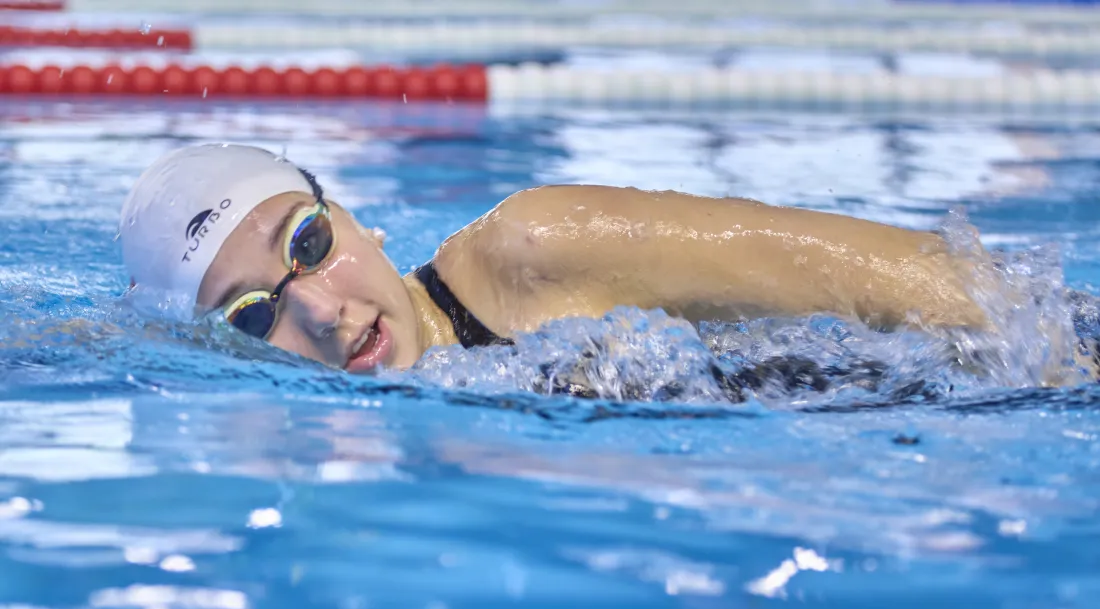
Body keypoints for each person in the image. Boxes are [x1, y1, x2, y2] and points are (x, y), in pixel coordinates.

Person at [119, 143, 993, 378]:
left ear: (360, 221)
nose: (317, 311)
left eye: (308, 245)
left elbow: (927, 280)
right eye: (254, 315)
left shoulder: (534, 250)